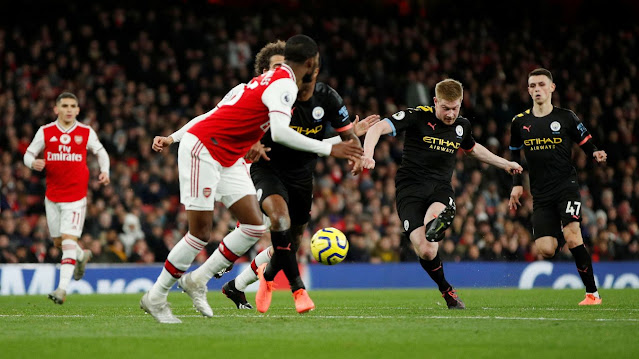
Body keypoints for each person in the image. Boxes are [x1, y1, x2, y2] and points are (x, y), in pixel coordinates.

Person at [141, 34, 363, 323]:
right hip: (205, 149)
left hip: (229, 156)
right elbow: (279, 132)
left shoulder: (270, 79)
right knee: (200, 233)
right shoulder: (284, 84)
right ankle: (156, 297)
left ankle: (198, 280)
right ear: (310, 64)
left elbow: (215, 113)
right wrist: (329, 148)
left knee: (254, 226)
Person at [217, 40, 379, 313]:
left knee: (286, 245)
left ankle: (253, 282)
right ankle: (297, 289)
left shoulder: (327, 98)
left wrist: (355, 150)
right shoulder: (271, 93)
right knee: (279, 219)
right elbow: (236, 123)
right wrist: (251, 141)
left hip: (302, 176)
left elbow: (326, 137)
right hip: (266, 168)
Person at [362, 79, 522, 309]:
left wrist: (504, 163)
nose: (450, 114)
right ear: (435, 102)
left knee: (433, 224)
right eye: (445, 108)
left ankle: (439, 220)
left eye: (455, 108)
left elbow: (473, 149)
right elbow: (377, 127)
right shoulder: (417, 116)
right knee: (426, 250)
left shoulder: (462, 126)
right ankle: (447, 290)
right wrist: (369, 154)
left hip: (440, 188)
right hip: (409, 189)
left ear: (461, 103)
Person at [508, 68, 606, 306]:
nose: (536, 89)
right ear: (528, 90)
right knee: (546, 249)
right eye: (532, 85)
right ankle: (562, 235)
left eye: (541, 84)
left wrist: (595, 153)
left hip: (566, 186)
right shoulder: (519, 122)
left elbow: (585, 141)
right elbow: (514, 154)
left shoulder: (566, 117)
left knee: (573, 236)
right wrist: (517, 185)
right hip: (540, 193)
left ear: (552, 88)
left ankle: (592, 294)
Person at [23, 92, 110, 304]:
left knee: (69, 241)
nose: (69, 109)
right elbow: (28, 154)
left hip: (76, 197)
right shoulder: (45, 131)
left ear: (78, 110)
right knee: (58, 242)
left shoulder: (85, 132)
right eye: (65, 106)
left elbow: (101, 152)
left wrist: (105, 170)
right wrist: (31, 163)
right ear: (56, 109)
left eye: (73, 106)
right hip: (52, 196)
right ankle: (81, 257)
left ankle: (62, 289)